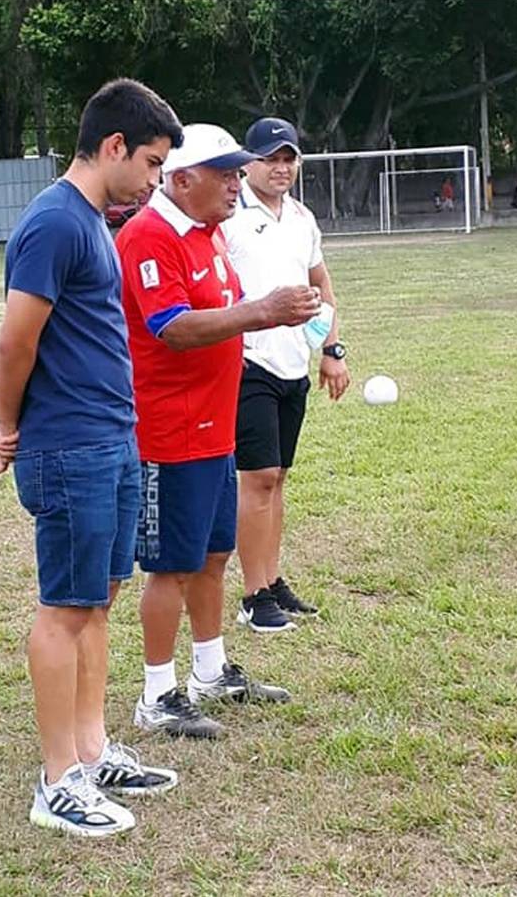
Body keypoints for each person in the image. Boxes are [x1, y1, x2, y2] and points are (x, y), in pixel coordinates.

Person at [0, 79, 183, 838]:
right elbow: (14, 341)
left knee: (97, 599)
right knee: (64, 609)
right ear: (113, 148)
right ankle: (57, 778)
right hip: (70, 450)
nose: (156, 180)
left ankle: (92, 752)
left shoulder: (97, 220)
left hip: (113, 440)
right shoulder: (55, 224)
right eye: (154, 164)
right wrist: (7, 427)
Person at [116, 124, 321, 739]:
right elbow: (172, 327)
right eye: (225, 174)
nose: (237, 184)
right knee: (170, 567)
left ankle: (209, 671)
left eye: (238, 172)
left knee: (212, 554)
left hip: (212, 424)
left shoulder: (206, 235)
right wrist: (263, 311)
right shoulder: (150, 236)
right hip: (168, 428)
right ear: (181, 179)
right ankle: (157, 695)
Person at [221, 117, 351, 634]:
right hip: (247, 361)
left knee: (278, 479)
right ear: (247, 162)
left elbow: (323, 288)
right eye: (270, 158)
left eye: (288, 158)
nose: (280, 168)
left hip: (293, 362)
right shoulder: (228, 216)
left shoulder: (301, 218)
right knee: (258, 478)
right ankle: (253, 596)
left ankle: (272, 581)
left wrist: (332, 349)